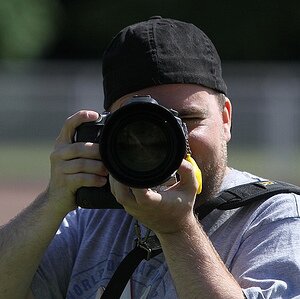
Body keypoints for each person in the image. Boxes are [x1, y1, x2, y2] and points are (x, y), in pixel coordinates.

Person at [0, 16, 300, 299]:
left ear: (225, 120)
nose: (166, 140)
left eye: (188, 119)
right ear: (108, 129)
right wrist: (51, 201)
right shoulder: (95, 214)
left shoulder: (275, 216)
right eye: (141, 126)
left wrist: (176, 230)